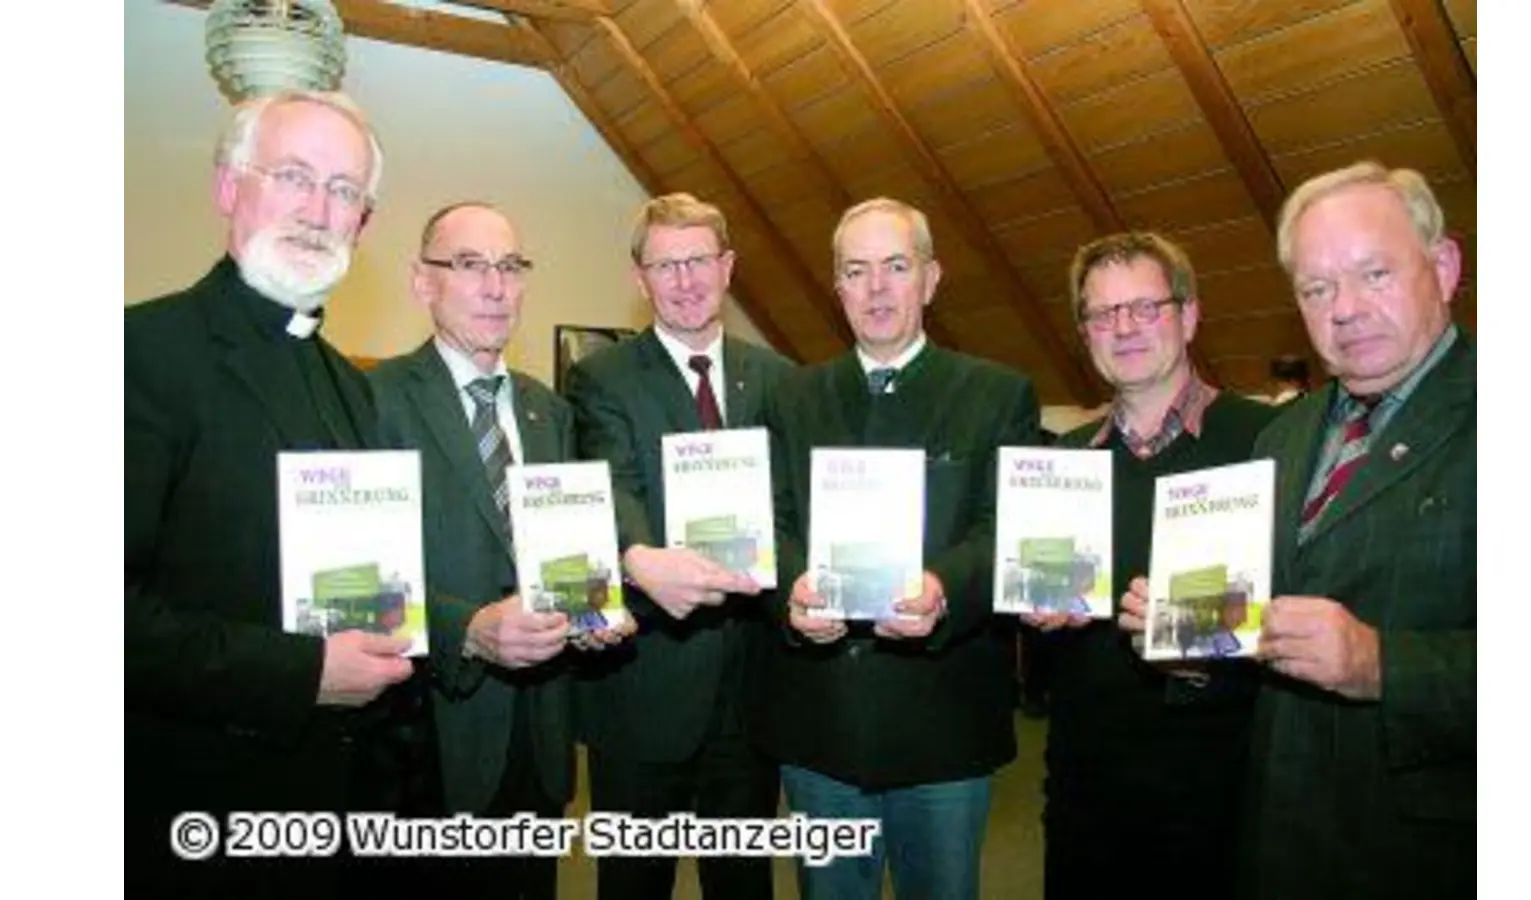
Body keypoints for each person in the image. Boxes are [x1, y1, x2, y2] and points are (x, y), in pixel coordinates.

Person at [1123, 160, 1475, 897]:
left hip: (1429, 850)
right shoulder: (1286, 434)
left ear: (1443, 267)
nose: (1344, 308)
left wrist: (1384, 663)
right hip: (1276, 837)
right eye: (1316, 289)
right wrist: (1192, 644)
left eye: (1374, 273)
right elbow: (1262, 641)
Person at [126, 91, 432, 897]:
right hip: (189, 816)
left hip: (337, 812)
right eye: (293, 176)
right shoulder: (138, 353)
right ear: (229, 186)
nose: (317, 209)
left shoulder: (350, 386)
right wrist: (301, 674)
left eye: (343, 191)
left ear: (362, 224)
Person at [758, 197, 1040, 900]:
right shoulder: (792, 397)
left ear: (932, 278)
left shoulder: (996, 393)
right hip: (820, 724)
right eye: (857, 271)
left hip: (943, 725)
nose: (877, 288)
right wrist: (791, 587)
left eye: (895, 266)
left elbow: (1005, 524)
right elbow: (772, 521)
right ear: (838, 288)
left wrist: (945, 584)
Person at [368, 202, 632, 899]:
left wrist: (594, 609)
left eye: (510, 266)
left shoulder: (552, 410)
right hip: (428, 741)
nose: (495, 286)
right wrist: (468, 630)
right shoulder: (374, 401)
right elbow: (358, 585)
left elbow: (566, 556)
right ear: (423, 282)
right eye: (469, 265)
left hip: (539, 737)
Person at [1022, 231, 1279, 899]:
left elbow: (1304, 611)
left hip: (1223, 798)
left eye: (1146, 307)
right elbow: (1050, 656)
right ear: (1085, 333)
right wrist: (1034, 617)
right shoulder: (1062, 465)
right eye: (1103, 314)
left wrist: (1206, 647)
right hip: (1086, 797)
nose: (1125, 327)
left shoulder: (1267, 442)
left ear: (1189, 315)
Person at [564, 192, 792, 900]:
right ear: (640, 279)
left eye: (699, 261)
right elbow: (611, 487)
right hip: (643, 688)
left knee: (744, 883)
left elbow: (792, 506)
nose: (686, 281)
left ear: (728, 267)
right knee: (632, 884)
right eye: (667, 266)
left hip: (751, 691)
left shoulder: (781, 377)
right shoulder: (600, 378)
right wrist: (639, 554)